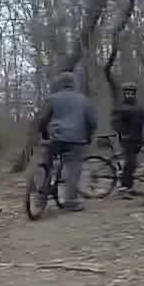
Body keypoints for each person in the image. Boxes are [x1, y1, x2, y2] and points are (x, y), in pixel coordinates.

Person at [33, 71, 96, 211]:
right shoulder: (83, 100)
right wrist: (89, 135)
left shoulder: (52, 99)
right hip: (76, 139)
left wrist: (44, 134)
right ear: (74, 84)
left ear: (60, 84)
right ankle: (71, 201)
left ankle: (40, 196)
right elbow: (92, 121)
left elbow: (43, 119)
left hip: (55, 136)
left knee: (47, 164)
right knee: (73, 167)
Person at [109, 82, 144, 197]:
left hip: (137, 138)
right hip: (126, 139)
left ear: (134, 93)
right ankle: (123, 188)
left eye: (131, 92)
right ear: (124, 94)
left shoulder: (139, 107)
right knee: (131, 163)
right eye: (127, 92)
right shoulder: (120, 107)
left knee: (133, 164)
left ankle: (129, 187)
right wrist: (123, 132)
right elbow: (115, 123)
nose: (129, 94)